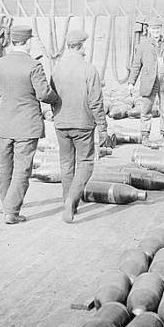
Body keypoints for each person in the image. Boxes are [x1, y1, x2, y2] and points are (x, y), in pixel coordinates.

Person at [0, 24, 56, 224]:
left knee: (5, 166)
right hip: (26, 125)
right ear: (28, 42)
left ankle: (6, 203)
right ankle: (11, 212)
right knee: (22, 169)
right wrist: (57, 99)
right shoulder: (33, 66)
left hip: (5, 124)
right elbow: (44, 94)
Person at [50, 29, 109, 223]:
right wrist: (102, 127)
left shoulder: (56, 68)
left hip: (61, 123)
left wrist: (57, 115)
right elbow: (96, 102)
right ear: (81, 46)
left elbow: (51, 95)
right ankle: (71, 201)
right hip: (83, 124)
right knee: (85, 163)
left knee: (66, 164)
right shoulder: (89, 69)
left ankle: (69, 202)